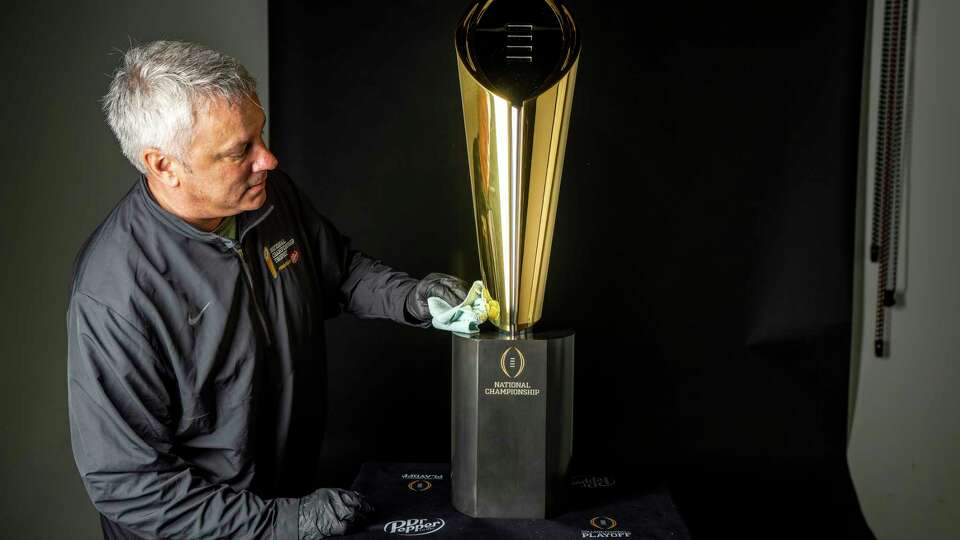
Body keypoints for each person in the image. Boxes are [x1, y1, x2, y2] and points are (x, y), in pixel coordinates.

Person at [66, 40, 468, 540]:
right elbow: (130, 485)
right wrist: (285, 523)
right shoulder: (115, 292)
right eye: (240, 151)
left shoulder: (264, 195)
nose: (269, 160)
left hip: (284, 498)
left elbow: (338, 272)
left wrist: (412, 298)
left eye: (260, 136)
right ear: (163, 165)